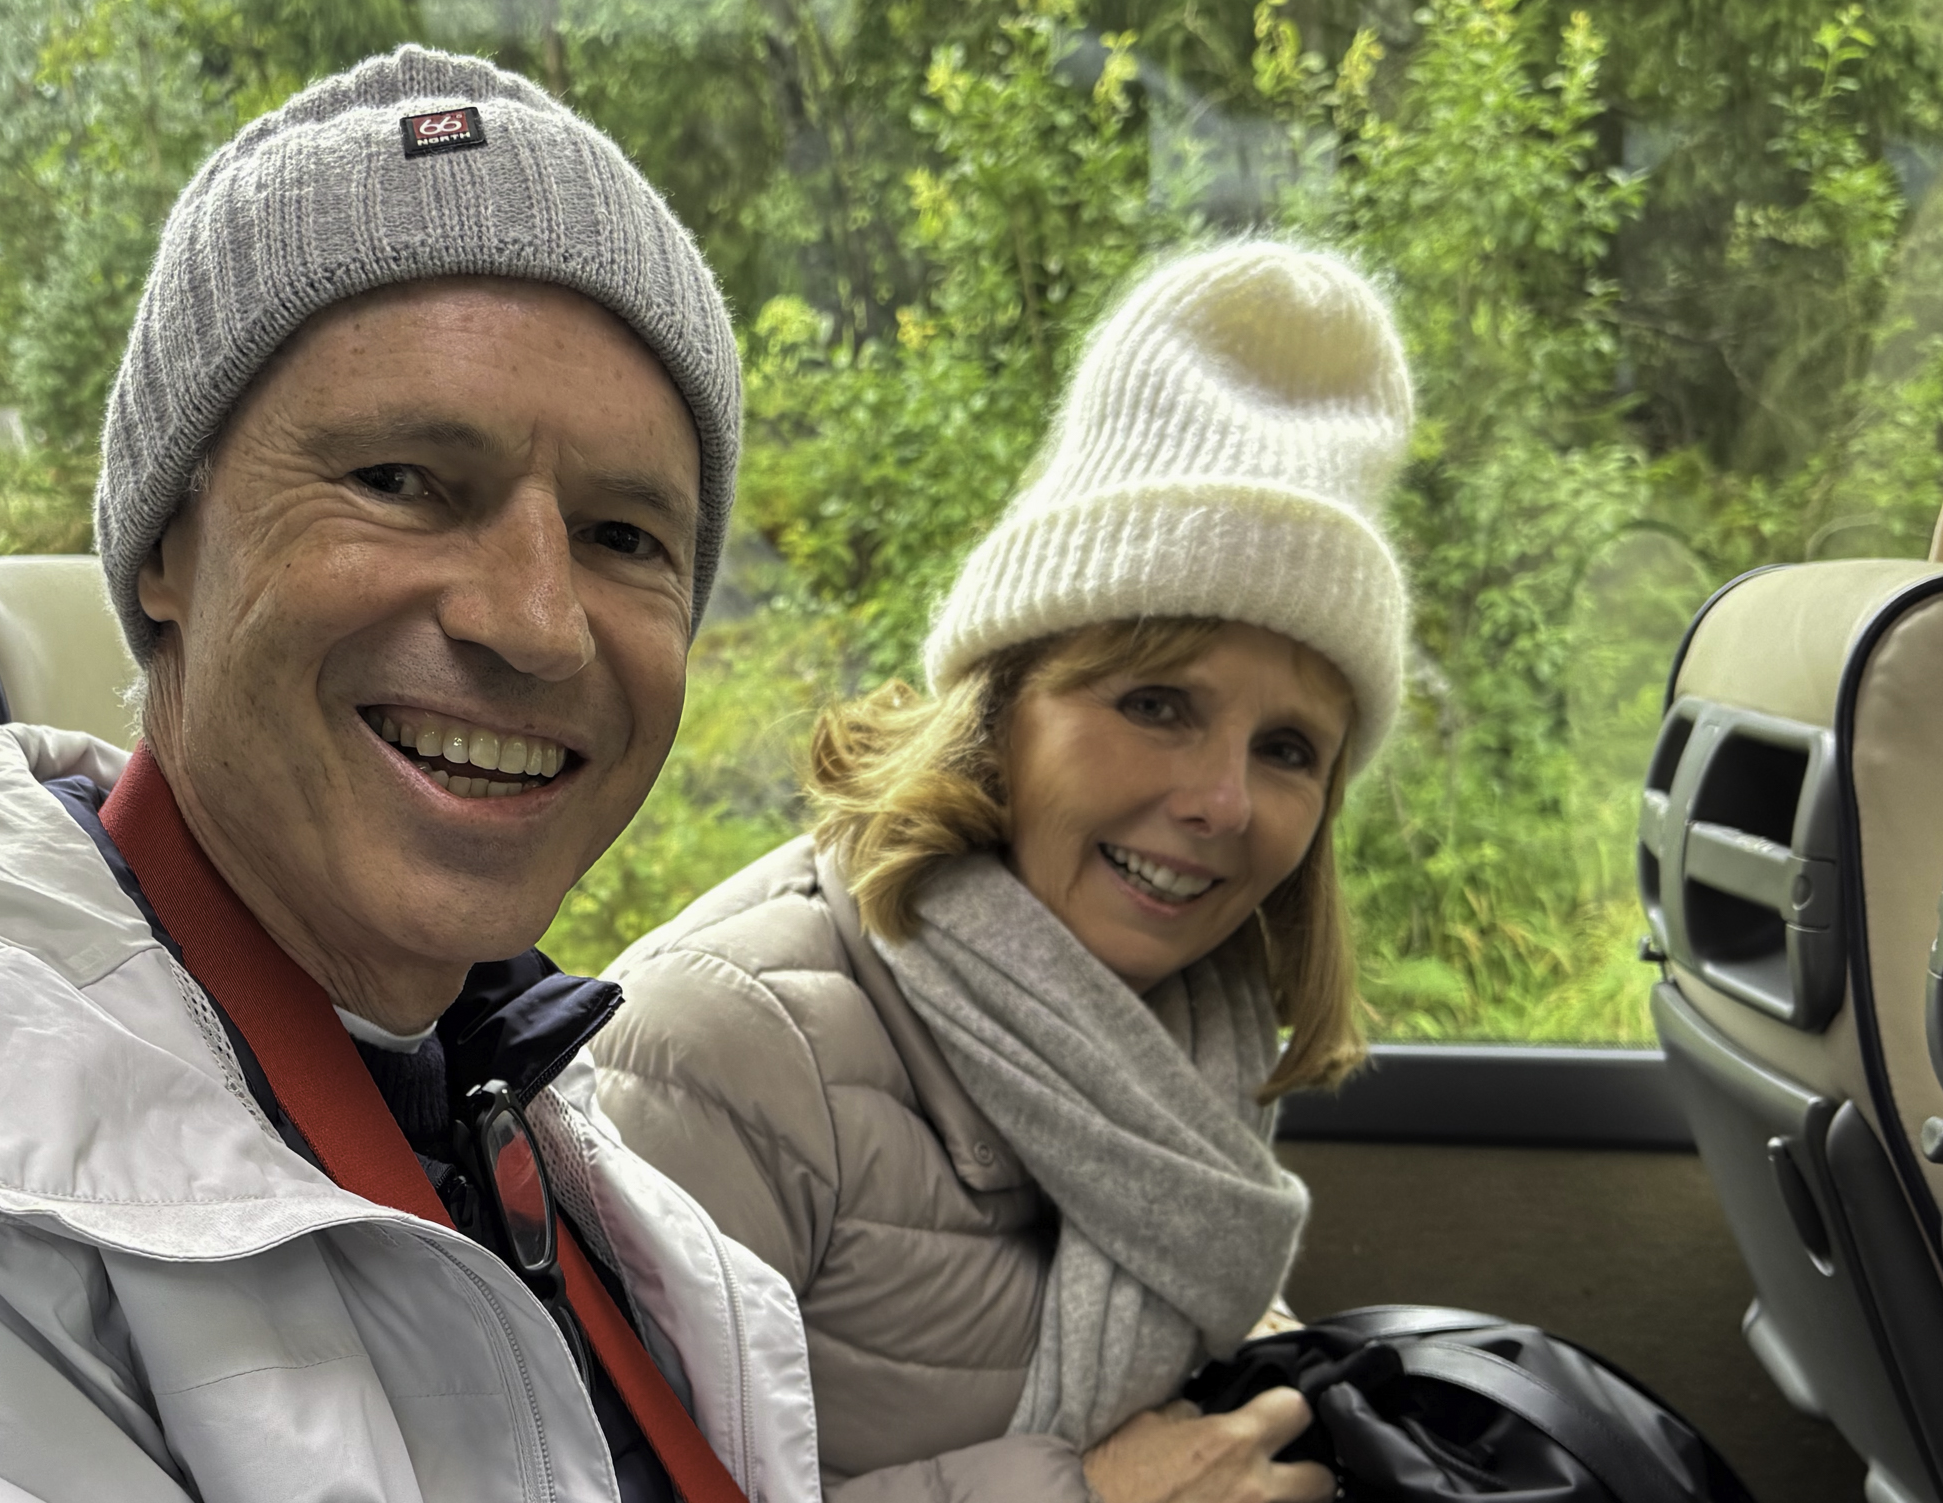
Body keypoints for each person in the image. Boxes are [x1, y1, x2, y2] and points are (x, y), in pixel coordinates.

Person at [0, 47, 818, 1503]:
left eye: (625, 536)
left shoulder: (525, 1119)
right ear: (163, 550)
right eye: (403, 482)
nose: (534, 621)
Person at [591, 240, 1414, 1503]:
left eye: (1290, 747)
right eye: (1156, 702)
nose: (1222, 801)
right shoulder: (725, 1049)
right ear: (1000, 707)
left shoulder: (1191, 1031)